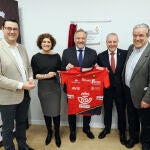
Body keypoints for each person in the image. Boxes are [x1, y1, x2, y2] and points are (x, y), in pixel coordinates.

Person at [0, 19, 35, 150]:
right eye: (9, 28)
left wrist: (30, 78)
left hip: (24, 95)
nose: (12, 31)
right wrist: (21, 85)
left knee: (21, 123)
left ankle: (22, 146)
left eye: (15, 29)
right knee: (8, 128)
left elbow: (28, 67)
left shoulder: (22, 48)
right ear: (3, 29)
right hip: (7, 97)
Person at [61, 29, 97, 142]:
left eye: (83, 38)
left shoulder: (93, 52)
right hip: (71, 88)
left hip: (88, 88)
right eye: (78, 38)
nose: (80, 40)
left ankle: (86, 128)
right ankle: (72, 130)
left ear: (86, 39)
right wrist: (66, 68)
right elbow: (62, 68)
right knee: (72, 110)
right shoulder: (66, 52)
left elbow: (95, 70)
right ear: (74, 39)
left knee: (88, 108)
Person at [31, 33, 61, 147]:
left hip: (55, 88)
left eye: (48, 42)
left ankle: (57, 134)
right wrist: (46, 76)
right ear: (40, 43)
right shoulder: (35, 57)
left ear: (52, 43)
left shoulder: (57, 56)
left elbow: (60, 71)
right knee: (47, 112)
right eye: (44, 42)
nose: (46, 44)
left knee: (56, 112)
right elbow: (34, 75)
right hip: (43, 88)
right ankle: (49, 132)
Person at [123, 23, 150, 150]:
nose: (137, 38)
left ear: (148, 36)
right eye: (135, 35)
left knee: (146, 123)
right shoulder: (130, 48)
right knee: (132, 118)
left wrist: (147, 99)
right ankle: (134, 138)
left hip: (143, 95)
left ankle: (146, 144)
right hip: (129, 91)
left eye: (141, 35)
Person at [97, 33, 127, 145]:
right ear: (106, 43)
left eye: (114, 41)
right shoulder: (100, 56)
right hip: (107, 89)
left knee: (121, 112)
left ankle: (122, 133)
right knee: (107, 111)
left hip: (121, 90)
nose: (112, 44)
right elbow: (97, 71)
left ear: (117, 42)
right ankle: (107, 129)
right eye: (110, 42)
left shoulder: (125, 53)